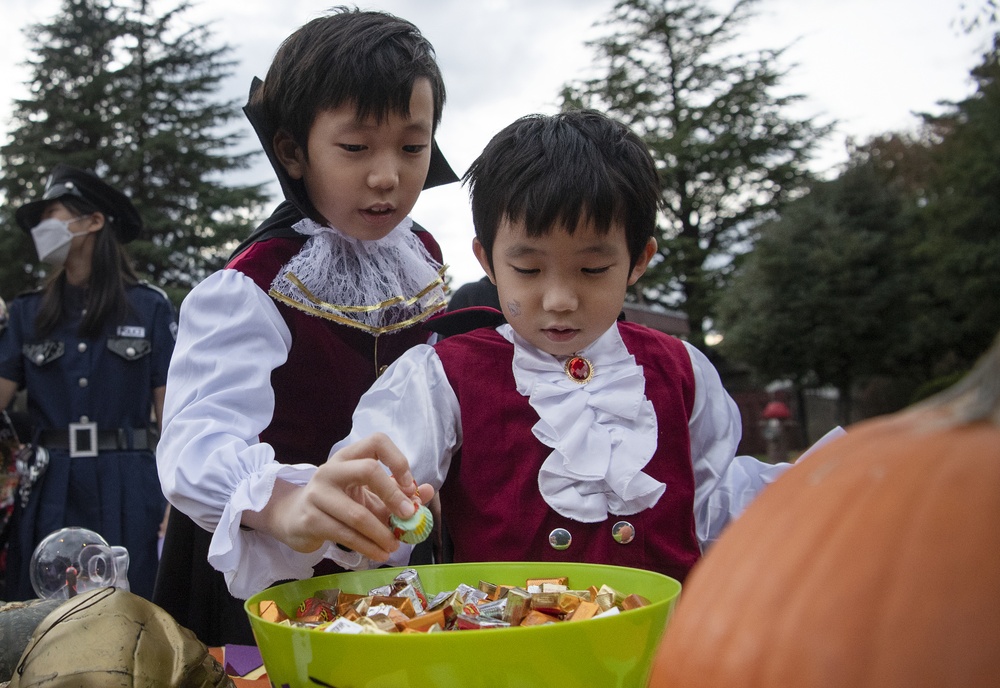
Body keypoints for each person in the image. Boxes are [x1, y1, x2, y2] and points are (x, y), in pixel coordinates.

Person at [195, 109, 797, 599]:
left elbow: (715, 509)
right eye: (527, 268)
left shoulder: (684, 370)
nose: (558, 300)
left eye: (593, 268)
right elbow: (379, 515)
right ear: (486, 260)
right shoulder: (438, 378)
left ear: (639, 260)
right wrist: (358, 513)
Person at [154, 7, 458, 645]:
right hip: (270, 589)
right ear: (293, 150)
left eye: (412, 146)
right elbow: (193, 444)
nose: (388, 175)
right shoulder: (251, 285)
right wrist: (283, 502)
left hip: (397, 582)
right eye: (355, 147)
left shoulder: (423, 257)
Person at [0, 164, 175, 601]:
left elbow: (172, 416)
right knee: (41, 613)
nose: (42, 227)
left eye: (51, 214)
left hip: (128, 483)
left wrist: (177, 502)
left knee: (130, 607)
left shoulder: (147, 308)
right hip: (50, 482)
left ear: (93, 221)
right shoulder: (26, 313)